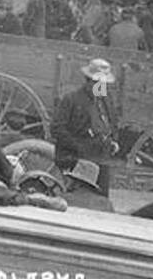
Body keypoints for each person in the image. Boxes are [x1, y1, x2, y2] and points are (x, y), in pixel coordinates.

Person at [51, 59, 119, 195]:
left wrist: (112, 141)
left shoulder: (106, 99)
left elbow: (110, 123)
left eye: (104, 83)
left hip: (102, 158)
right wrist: (78, 147)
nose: (102, 86)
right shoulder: (71, 99)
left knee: (101, 199)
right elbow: (56, 129)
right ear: (88, 81)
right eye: (98, 82)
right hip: (78, 160)